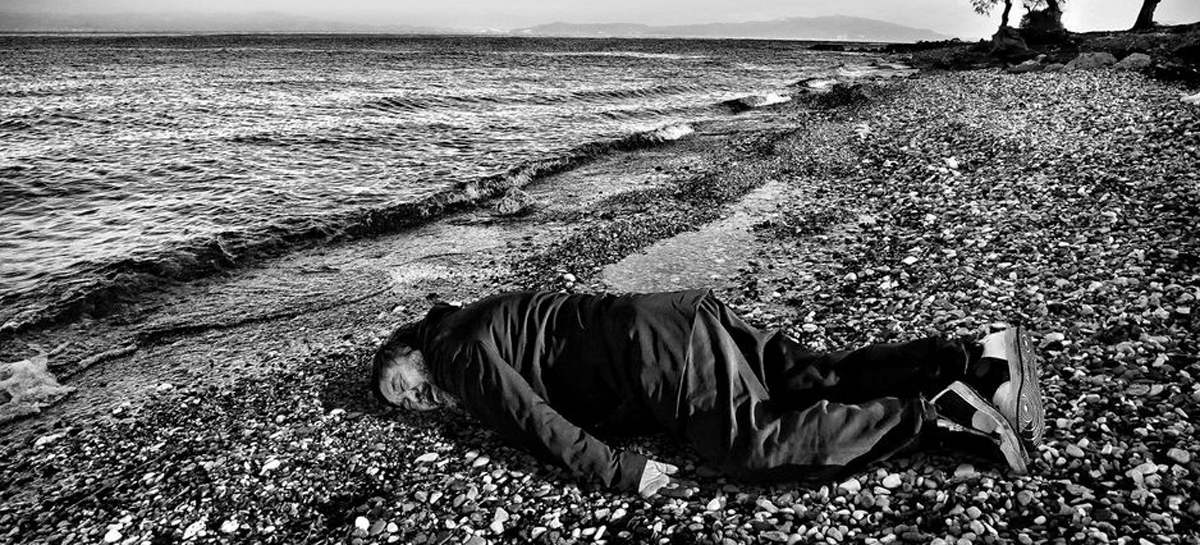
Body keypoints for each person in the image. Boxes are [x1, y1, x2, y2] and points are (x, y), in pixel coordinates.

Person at [371, 289, 1044, 497]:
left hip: (654, 350)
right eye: (403, 405)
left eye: (402, 386)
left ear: (409, 349)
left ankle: (940, 414)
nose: (415, 399)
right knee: (804, 377)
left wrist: (625, 470)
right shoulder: (464, 321)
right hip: (676, 315)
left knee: (754, 447)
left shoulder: (450, 353)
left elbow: (532, 420)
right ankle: (971, 356)